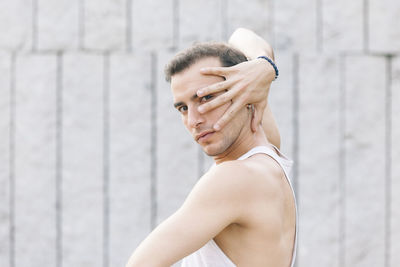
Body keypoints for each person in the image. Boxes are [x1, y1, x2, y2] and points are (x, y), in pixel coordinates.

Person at [126, 28, 297, 267]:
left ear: (243, 91)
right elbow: (240, 35)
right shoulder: (266, 151)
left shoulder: (234, 178)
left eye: (206, 98)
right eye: (183, 108)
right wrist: (264, 64)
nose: (194, 119)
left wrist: (262, 68)